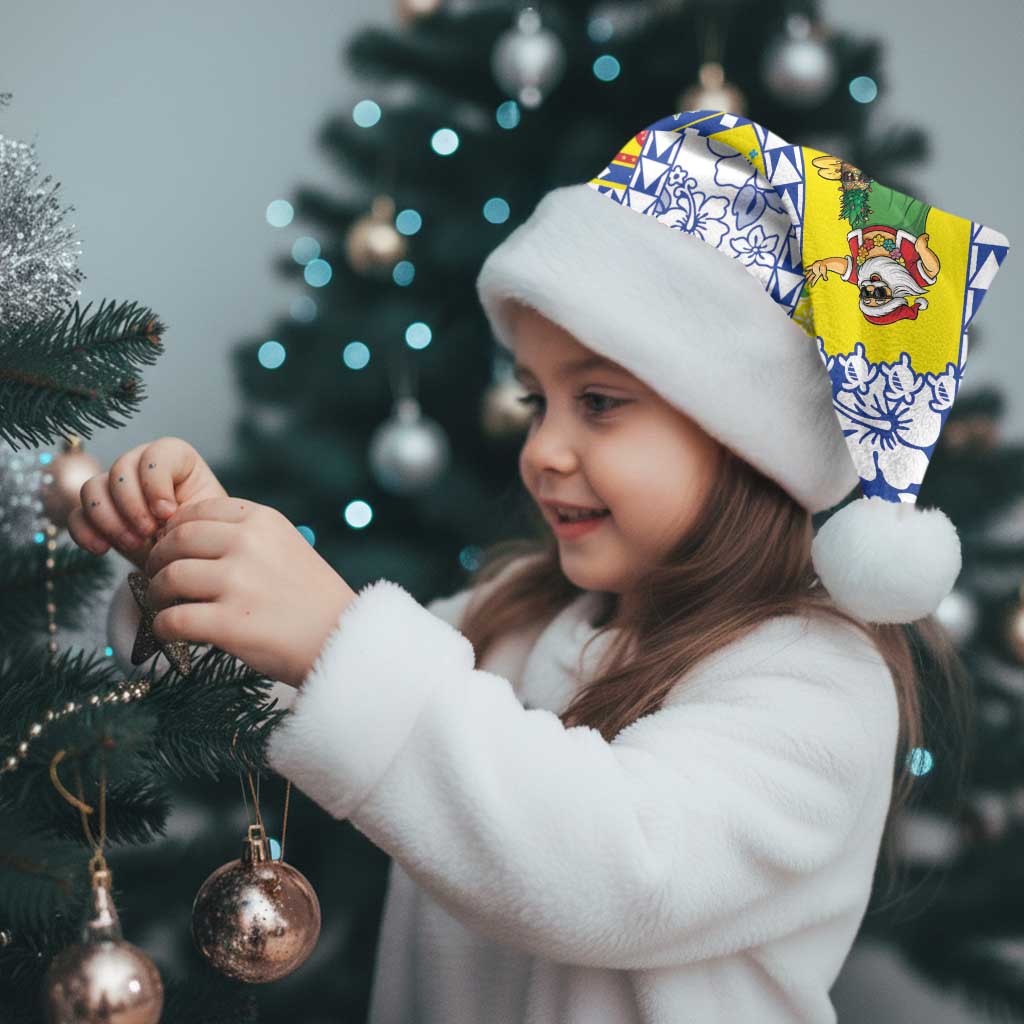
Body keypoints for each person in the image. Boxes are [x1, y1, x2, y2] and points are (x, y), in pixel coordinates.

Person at [75, 110, 1011, 1023]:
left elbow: (615, 871)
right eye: (536, 401)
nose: (543, 450)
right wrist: (192, 565)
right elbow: (306, 691)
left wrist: (334, 635)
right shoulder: (516, 615)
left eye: (598, 402)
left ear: (747, 441)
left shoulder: (818, 683)